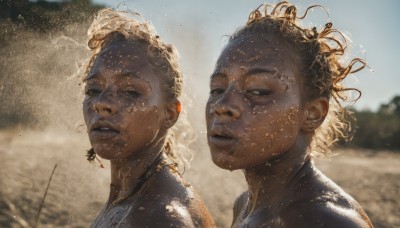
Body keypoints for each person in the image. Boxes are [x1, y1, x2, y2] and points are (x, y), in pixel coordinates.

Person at [205, 2, 373, 227]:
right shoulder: (245, 205)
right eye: (217, 89)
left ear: (312, 114)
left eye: (257, 91)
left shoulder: (325, 221)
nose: (222, 105)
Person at [82, 8, 215, 227]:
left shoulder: (162, 216)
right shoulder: (130, 198)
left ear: (169, 114)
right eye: (93, 89)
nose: (101, 103)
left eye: (131, 92)